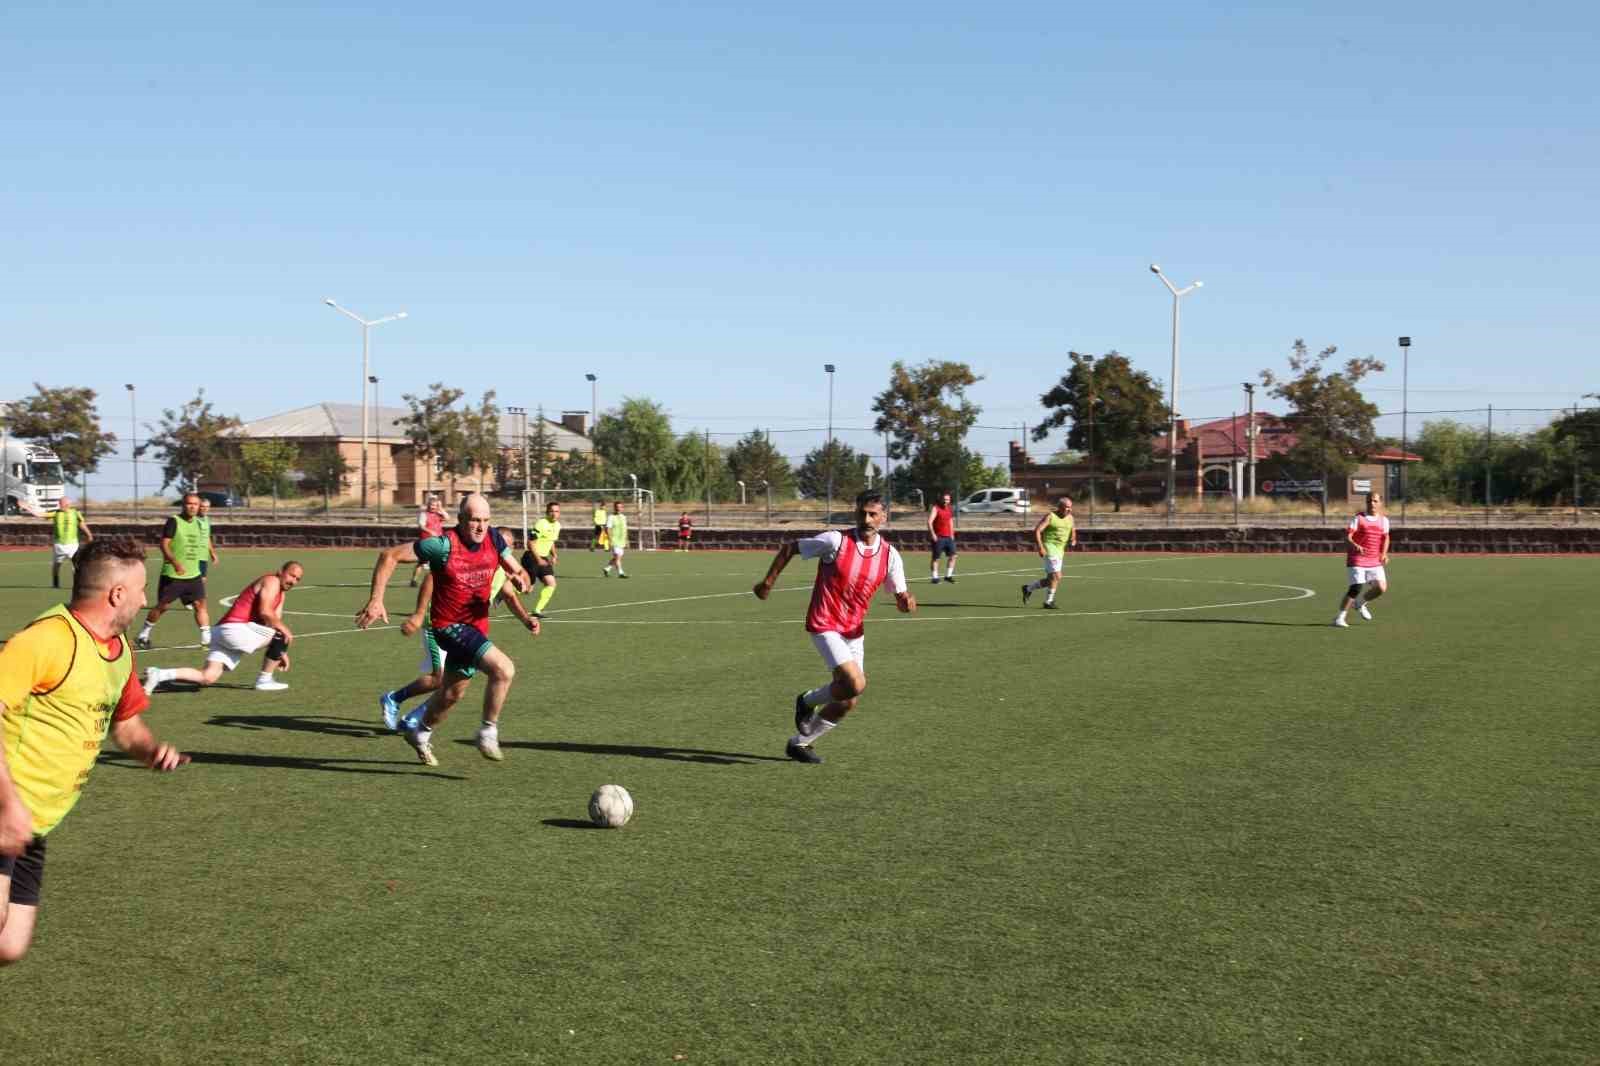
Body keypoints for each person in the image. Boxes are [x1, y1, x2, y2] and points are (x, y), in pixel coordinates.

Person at [0, 537, 188, 965]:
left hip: (33, 823)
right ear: (117, 594)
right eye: (141, 591)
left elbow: (125, 725)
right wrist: (8, 805)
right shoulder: (46, 639)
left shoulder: (118, 653)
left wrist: (150, 750)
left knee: (9, 945)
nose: (145, 600)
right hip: (6, 806)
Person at [355, 494, 532, 766]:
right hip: (448, 627)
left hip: (476, 628)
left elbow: (517, 570)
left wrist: (522, 579)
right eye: (474, 520)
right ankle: (487, 731)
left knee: (451, 694)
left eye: (485, 520)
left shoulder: (494, 538)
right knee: (503, 669)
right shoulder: (441, 545)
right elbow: (389, 556)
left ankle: (420, 733)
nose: (480, 526)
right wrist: (377, 599)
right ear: (460, 520)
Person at [752, 491, 916, 764]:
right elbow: (791, 547)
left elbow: (901, 598)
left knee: (848, 699)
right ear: (855, 513)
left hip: (853, 630)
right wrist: (768, 582)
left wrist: (907, 603)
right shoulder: (835, 541)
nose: (866, 519)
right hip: (824, 623)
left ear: (883, 517)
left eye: (873, 514)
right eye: (862, 513)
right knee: (856, 683)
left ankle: (800, 744)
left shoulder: (890, 556)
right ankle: (806, 701)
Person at [379, 543, 539, 732]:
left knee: (455, 684)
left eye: (508, 548)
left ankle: (413, 718)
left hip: (466, 630)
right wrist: (419, 614)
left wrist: (526, 620)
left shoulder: (501, 572)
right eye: (502, 547)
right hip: (439, 623)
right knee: (439, 679)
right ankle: (394, 699)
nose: (505, 553)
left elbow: (511, 598)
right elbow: (432, 577)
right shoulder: (472, 561)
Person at [144, 562, 303, 693]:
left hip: (223, 632)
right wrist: (282, 637)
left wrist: (279, 651)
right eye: (291, 575)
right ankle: (264, 680)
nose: (293, 581)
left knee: (207, 677)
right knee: (282, 633)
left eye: (297, 579)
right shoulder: (271, 581)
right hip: (235, 630)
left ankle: (159, 674)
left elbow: (272, 621)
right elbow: (265, 612)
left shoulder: (281, 594)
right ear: (280, 571)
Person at [134, 493, 211, 649]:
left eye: (195, 504)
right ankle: (143, 634)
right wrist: (175, 562)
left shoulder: (199, 523)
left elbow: (201, 545)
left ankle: (207, 639)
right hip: (173, 574)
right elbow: (164, 545)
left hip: (193, 574)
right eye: (189, 504)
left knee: (200, 605)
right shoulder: (173, 521)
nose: (192, 507)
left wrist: (205, 563)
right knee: (163, 606)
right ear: (183, 505)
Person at [1333, 492, 1391, 628]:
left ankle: (1359, 603)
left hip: (1374, 560)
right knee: (1356, 587)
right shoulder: (1358, 518)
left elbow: (1386, 537)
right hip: (1357, 559)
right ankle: (1339, 618)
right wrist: (1355, 545)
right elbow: (1348, 537)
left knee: (1381, 588)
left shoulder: (1384, 521)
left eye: (1375, 501)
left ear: (1380, 503)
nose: (1372, 503)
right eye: (1369, 501)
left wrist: (1384, 554)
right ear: (1366, 502)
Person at [1022, 496, 1077, 610]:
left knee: (1052, 579)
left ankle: (1028, 588)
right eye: (1067, 507)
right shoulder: (1050, 517)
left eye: (1070, 507)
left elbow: (1073, 530)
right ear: (1060, 507)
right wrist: (1041, 547)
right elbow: (1037, 530)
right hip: (1050, 548)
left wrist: (1073, 538)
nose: (1069, 510)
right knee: (1056, 576)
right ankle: (1048, 602)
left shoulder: (1070, 518)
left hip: (1060, 550)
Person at [521, 502, 562, 617]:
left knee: (551, 583)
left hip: (543, 558)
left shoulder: (558, 526)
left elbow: (551, 541)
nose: (554, 514)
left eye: (556, 511)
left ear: (559, 513)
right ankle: (503, 593)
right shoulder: (541, 523)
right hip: (531, 557)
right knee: (527, 589)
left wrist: (554, 555)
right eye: (551, 511)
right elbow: (530, 543)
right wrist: (538, 559)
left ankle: (537, 610)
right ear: (547, 512)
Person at [48, 497, 93, 589]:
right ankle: (55, 582)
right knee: (57, 565)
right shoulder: (56, 513)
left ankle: (77, 584)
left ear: (68, 504)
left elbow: (81, 524)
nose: (60, 505)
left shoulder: (75, 513)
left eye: (62, 503)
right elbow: (40, 514)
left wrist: (89, 534)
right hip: (59, 544)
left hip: (72, 544)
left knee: (75, 565)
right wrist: (28, 508)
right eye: (59, 503)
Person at [411, 496, 446, 586]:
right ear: (428, 505)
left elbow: (447, 517)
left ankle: (438, 580)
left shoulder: (438, 514)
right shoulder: (424, 514)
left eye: (435, 505)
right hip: (427, 542)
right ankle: (414, 580)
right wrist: (430, 531)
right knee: (422, 562)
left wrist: (441, 508)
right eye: (431, 505)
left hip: (438, 542)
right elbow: (421, 526)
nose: (433, 507)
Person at [926, 491, 957, 584]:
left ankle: (948, 576)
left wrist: (952, 534)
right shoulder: (936, 508)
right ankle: (934, 578)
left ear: (950, 500)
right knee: (936, 558)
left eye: (947, 499)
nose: (945, 501)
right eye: (944, 499)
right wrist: (933, 534)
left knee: (953, 556)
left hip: (948, 537)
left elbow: (950, 521)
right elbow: (929, 522)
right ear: (941, 499)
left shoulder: (950, 508)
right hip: (938, 537)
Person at [602, 500, 630, 578]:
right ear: (614, 508)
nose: (619, 508)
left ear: (622, 508)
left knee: (617, 557)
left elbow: (625, 529)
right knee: (617, 556)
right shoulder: (611, 517)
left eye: (620, 507)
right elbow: (608, 529)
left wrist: (627, 539)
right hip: (614, 540)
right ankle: (621, 573)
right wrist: (610, 540)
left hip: (622, 540)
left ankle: (607, 568)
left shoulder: (624, 517)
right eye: (617, 507)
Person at [195, 496, 219, 579]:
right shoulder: (193, 520)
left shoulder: (206, 519)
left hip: (203, 556)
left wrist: (212, 553)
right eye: (202, 506)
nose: (205, 509)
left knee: (202, 580)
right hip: (194, 556)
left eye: (207, 507)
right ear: (198, 506)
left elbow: (207, 537)